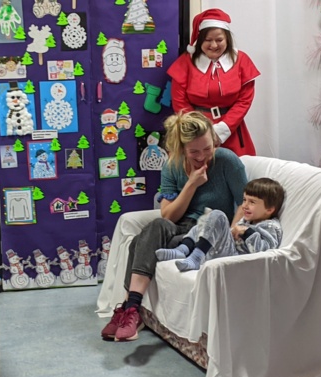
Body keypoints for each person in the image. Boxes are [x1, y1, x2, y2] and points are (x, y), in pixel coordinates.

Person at [100, 110, 247, 342]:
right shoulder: (172, 165)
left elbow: (244, 203)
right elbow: (168, 215)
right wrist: (191, 185)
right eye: (194, 152)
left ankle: (129, 310)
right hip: (179, 227)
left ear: (214, 139)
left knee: (140, 242)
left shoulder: (228, 161)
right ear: (181, 148)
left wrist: (232, 230)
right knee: (156, 226)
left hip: (205, 233)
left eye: (207, 148)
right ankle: (131, 312)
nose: (202, 157)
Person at [167, 8, 260, 156]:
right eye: (208, 40)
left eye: (219, 40)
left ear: (227, 39)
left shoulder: (241, 61)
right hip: (196, 133)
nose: (214, 45)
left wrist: (223, 129)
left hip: (232, 131)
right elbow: (180, 103)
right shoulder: (185, 63)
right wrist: (200, 131)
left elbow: (244, 101)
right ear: (200, 40)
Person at [155, 178, 284, 272]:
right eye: (244, 200)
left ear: (269, 209)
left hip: (235, 258)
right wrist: (232, 231)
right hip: (224, 250)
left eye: (252, 202)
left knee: (218, 216)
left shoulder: (271, 226)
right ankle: (182, 250)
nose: (244, 205)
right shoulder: (247, 220)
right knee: (204, 223)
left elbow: (265, 251)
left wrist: (246, 233)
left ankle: (196, 258)